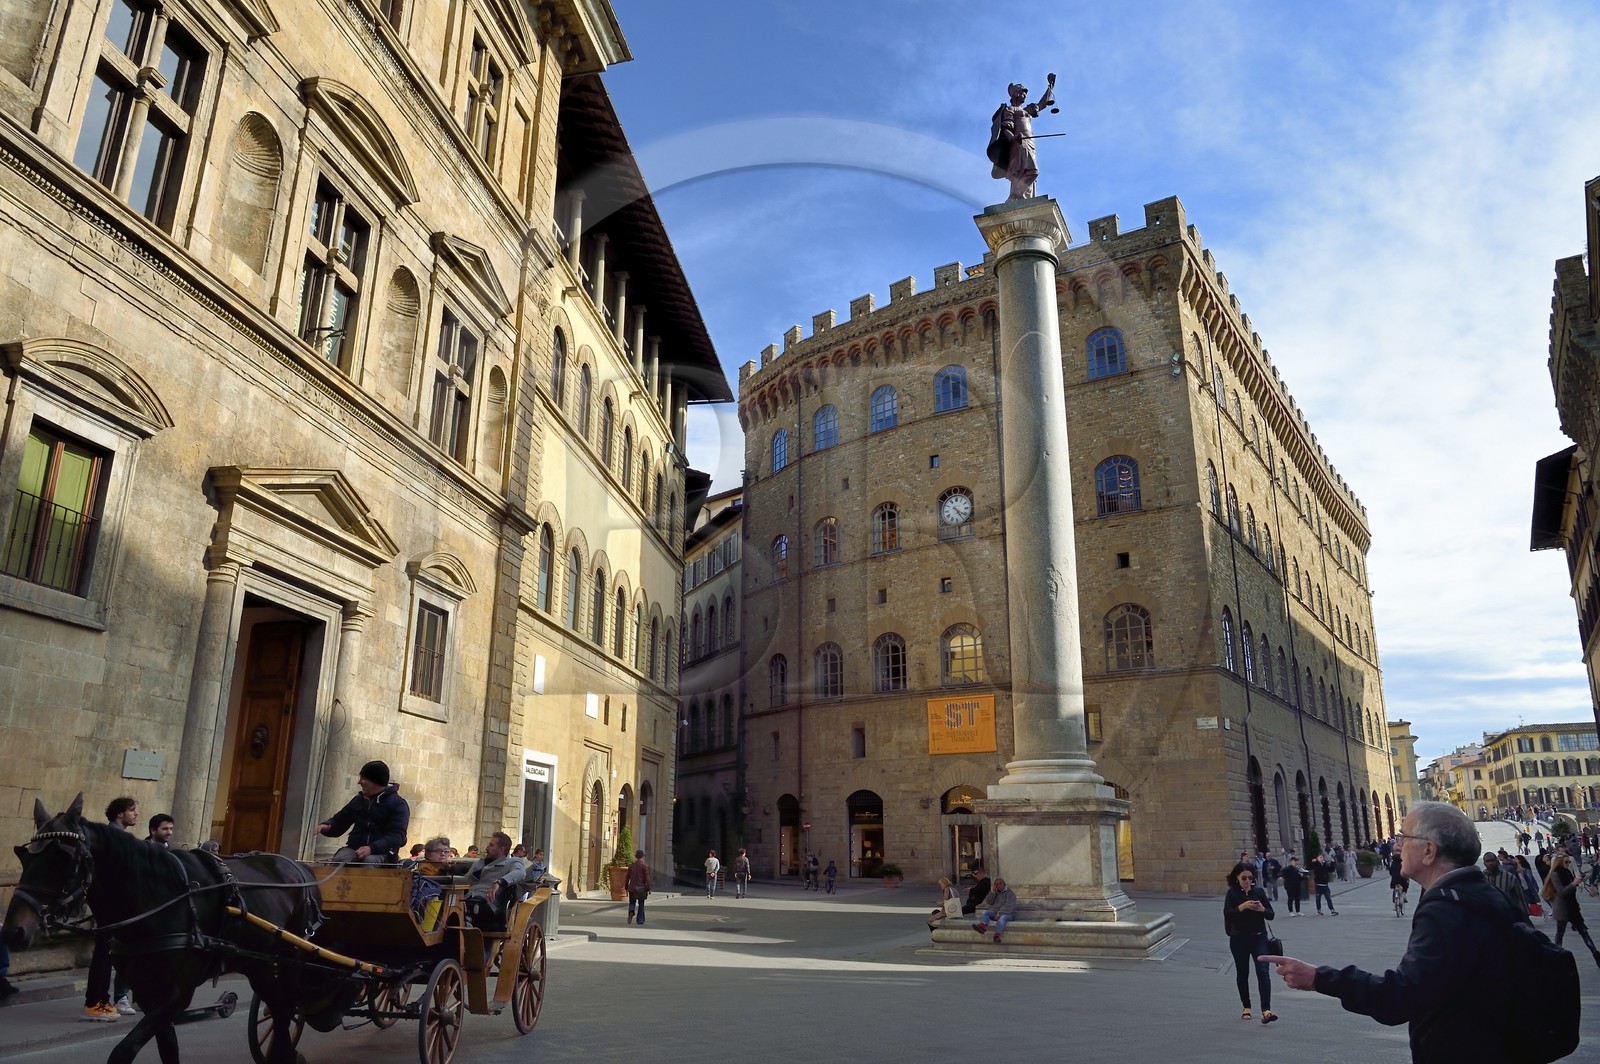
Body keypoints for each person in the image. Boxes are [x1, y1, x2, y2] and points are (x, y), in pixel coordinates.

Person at [1260, 801, 1528, 1060]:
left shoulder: (1446, 910)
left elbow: (1400, 997)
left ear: (1429, 851)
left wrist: (1318, 977)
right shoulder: (1485, 895)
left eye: (1403, 837)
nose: (1397, 846)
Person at [84, 796, 137, 1021]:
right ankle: (97, 1003)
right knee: (105, 955)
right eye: (132, 810)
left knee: (108, 954)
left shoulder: (117, 836)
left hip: (111, 905)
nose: (136, 814)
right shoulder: (114, 837)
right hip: (111, 906)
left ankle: (103, 1000)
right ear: (119, 813)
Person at [315, 760, 410, 865]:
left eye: (363, 778)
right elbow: (341, 820)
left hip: (383, 853)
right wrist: (328, 826)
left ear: (376, 781)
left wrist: (371, 848)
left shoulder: (398, 804)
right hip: (355, 849)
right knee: (339, 859)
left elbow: (397, 836)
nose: (359, 782)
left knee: (368, 862)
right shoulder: (358, 801)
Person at [986, 74, 1058, 200]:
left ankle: (1022, 196)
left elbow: (1042, 104)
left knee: (1025, 171)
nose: (1025, 95)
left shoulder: (1027, 111)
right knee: (1028, 170)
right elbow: (1006, 128)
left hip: (1029, 142)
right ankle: (1016, 194)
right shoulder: (1011, 110)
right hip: (1019, 143)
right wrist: (1013, 138)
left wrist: (1050, 87)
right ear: (1016, 94)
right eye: (1023, 92)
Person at [1224, 862, 1278, 1024]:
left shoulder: (1259, 892)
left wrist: (1261, 909)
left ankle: (1266, 1010)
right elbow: (1228, 913)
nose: (1247, 881)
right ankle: (1246, 1006)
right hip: (1239, 938)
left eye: (1250, 877)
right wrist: (1241, 907)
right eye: (1244, 878)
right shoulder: (1232, 894)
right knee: (1243, 973)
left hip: (1259, 937)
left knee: (1263, 972)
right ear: (1237, 878)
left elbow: (1271, 915)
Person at [1543, 850, 1600, 966]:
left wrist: (1582, 880)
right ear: (1559, 862)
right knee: (1560, 933)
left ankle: (1596, 955)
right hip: (1563, 908)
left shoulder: (1566, 872)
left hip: (1573, 907)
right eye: (1566, 862)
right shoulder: (1555, 874)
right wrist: (1574, 884)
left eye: (1569, 861)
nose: (1568, 863)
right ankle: (1557, 955)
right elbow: (1562, 892)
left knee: (1584, 932)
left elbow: (1572, 884)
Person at [463, 831, 526, 929]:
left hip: (490, 906)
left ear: (501, 849)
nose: (486, 848)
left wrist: (499, 882)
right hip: (467, 899)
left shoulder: (512, 862)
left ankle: (467, 921)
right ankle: (465, 920)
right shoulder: (479, 863)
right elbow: (464, 880)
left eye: (491, 845)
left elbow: (520, 873)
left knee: (477, 903)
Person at [410, 837, 450, 930]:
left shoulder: (442, 868)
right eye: (438, 851)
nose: (443, 854)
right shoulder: (426, 867)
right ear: (428, 854)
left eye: (446, 851)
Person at [970, 877, 1018, 942]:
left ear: (1004, 884)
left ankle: (996, 936)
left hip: (1008, 913)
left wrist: (999, 913)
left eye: (1000, 883)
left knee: (1002, 918)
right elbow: (988, 901)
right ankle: (982, 927)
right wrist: (992, 892)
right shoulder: (995, 893)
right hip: (995, 913)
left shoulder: (1010, 893)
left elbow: (1009, 905)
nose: (999, 885)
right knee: (985, 912)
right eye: (997, 884)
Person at [625, 849, 652, 925]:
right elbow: (647, 878)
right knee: (641, 904)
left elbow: (627, 877)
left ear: (636, 856)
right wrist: (649, 888)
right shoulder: (644, 866)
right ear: (642, 857)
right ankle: (640, 920)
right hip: (641, 888)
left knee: (632, 902)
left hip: (632, 888)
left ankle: (631, 911)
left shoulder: (631, 866)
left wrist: (626, 887)